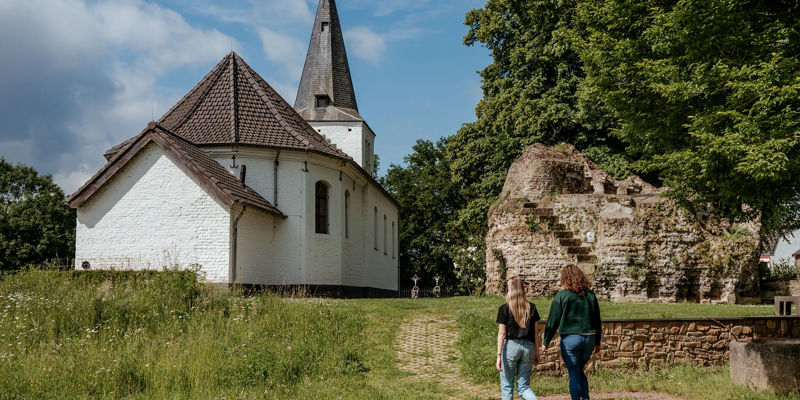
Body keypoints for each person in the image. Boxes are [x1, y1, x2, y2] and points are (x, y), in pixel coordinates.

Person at [541, 266, 602, 400]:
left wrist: (546, 341)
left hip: (570, 338)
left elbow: (553, 320)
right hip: (589, 338)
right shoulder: (590, 295)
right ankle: (585, 397)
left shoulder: (562, 295)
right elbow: (597, 320)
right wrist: (597, 342)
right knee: (578, 370)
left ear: (564, 278)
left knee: (574, 373)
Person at [496, 276, 541, 400]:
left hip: (511, 347)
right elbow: (536, 334)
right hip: (528, 347)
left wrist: (499, 355)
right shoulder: (532, 308)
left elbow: (502, 334)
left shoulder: (504, 308)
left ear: (510, 290)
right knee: (523, 387)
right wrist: (537, 353)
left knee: (507, 386)